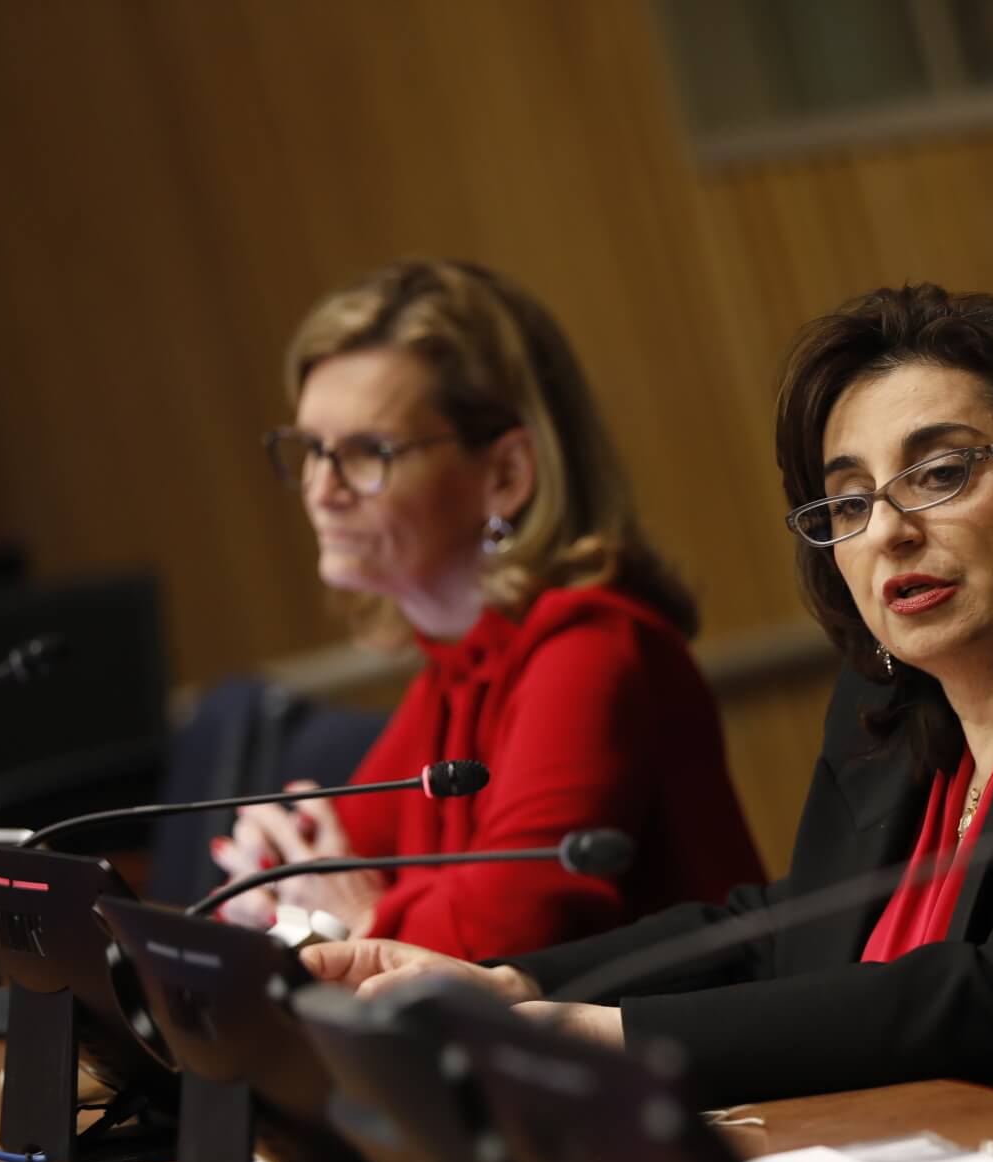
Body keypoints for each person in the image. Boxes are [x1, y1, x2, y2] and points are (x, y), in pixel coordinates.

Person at [301, 284, 993, 1103]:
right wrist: (512, 984)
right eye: (849, 499)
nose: (887, 531)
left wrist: (592, 1034)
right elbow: (783, 932)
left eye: (940, 473)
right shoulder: (890, 715)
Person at [211, 259, 762, 960]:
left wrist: (363, 917)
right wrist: (281, 880)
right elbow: (315, 869)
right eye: (312, 450)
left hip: (695, 1066)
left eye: (366, 453)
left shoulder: (592, 648)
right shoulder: (455, 670)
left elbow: (501, 938)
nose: (320, 489)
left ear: (504, 475)